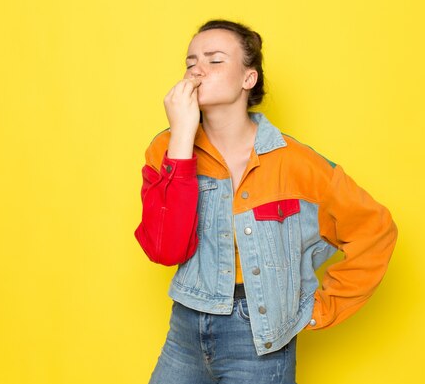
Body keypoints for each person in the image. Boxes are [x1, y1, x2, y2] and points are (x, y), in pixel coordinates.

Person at [135, 19, 397, 384]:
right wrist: (181, 137)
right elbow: (166, 249)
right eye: (191, 61)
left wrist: (322, 309)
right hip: (186, 323)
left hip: (259, 335)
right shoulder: (165, 148)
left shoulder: (298, 163)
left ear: (248, 79)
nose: (197, 69)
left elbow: (375, 231)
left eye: (214, 60)